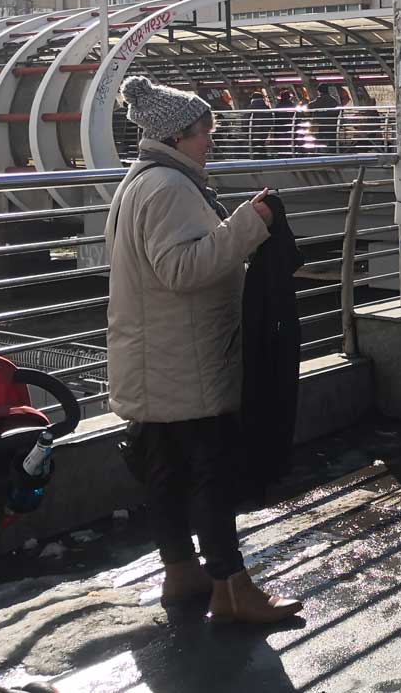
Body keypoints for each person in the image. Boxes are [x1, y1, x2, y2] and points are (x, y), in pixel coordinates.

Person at [105, 76, 301, 624]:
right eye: (202, 132)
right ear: (175, 137)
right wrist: (248, 225)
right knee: (212, 473)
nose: (210, 140)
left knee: (165, 470)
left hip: (155, 357)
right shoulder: (168, 188)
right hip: (183, 361)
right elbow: (180, 268)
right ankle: (232, 589)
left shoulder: (141, 181)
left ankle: (181, 571)